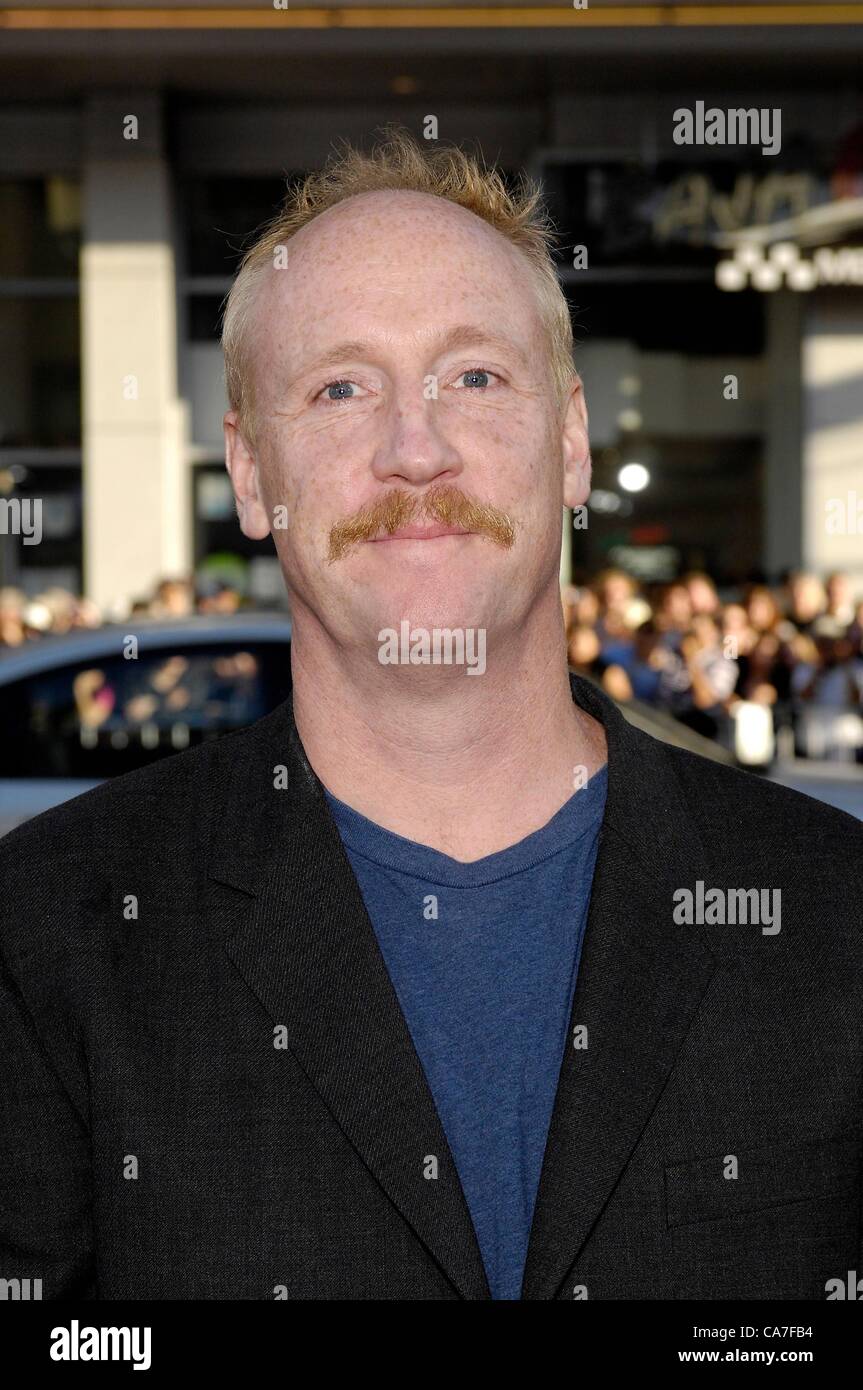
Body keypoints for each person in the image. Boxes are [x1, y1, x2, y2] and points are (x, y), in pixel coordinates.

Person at [1, 128, 861, 1303]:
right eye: (340, 388)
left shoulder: (828, 908)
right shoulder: (50, 937)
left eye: (472, 376)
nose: (415, 450)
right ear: (250, 474)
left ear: (568, 442)